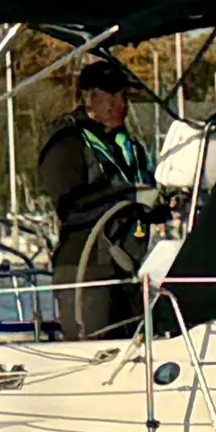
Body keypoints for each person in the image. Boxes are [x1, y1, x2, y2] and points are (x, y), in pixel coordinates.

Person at [37, 57, 155, 339]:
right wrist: (128, 196)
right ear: (89, 98)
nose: (122, 104)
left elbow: (146, 193)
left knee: (138, 348)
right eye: (113, 96)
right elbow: (70, 205)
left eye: (125, 96)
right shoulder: (66, 142)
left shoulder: (131, 147)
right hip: (86, 268)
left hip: (129, 269)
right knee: (94, 350)